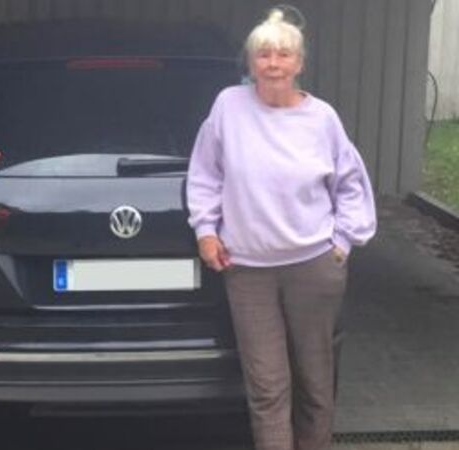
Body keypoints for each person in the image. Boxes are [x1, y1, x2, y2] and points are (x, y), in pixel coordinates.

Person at [186, 8, 376, 450]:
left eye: (283, 55)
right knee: (267, 388)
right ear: (251, 63)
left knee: (315, 383)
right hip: (247, 271)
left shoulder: (322, 119)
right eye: (264, 54)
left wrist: (342, 242)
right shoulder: (228, 107)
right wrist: (206, 231)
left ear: (300, 63)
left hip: (314, 266)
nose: (273, 63)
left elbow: (351, 183)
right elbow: (205, 174)